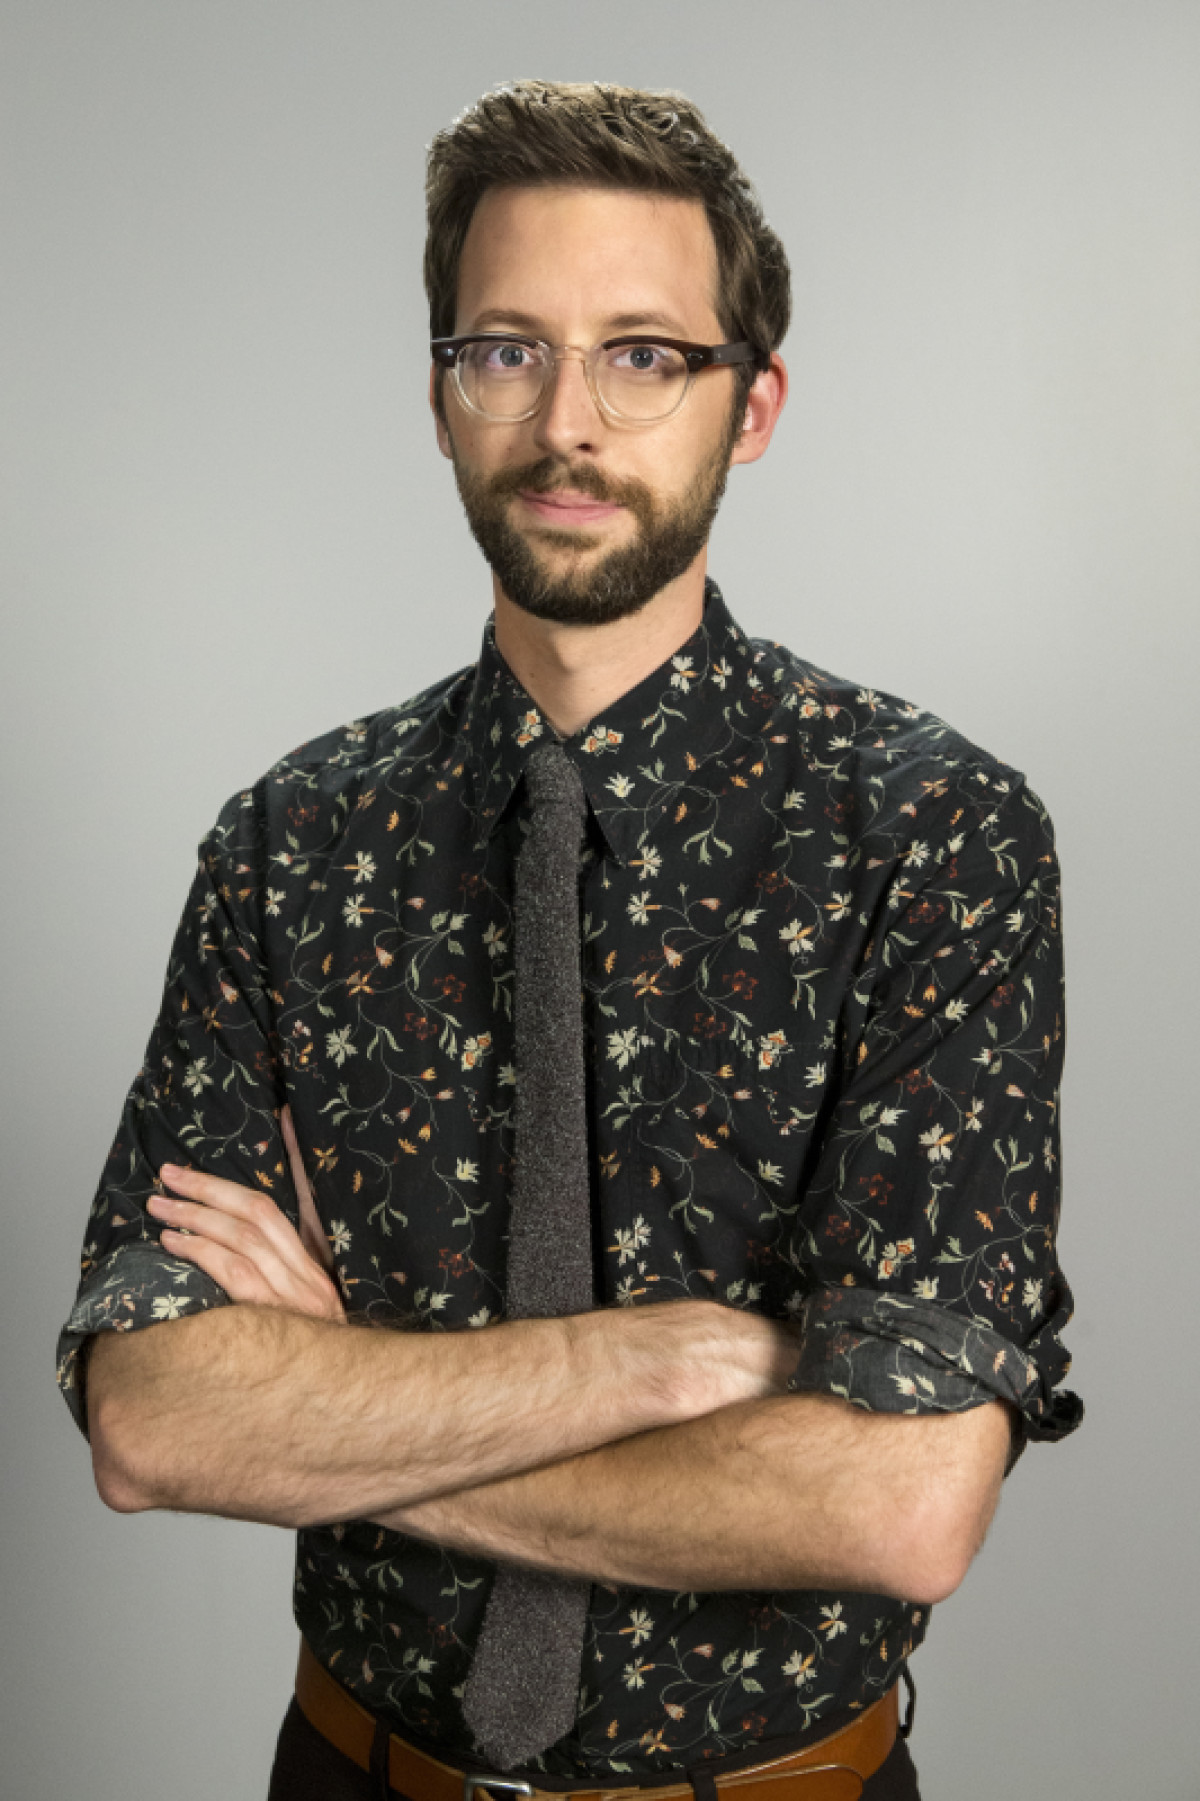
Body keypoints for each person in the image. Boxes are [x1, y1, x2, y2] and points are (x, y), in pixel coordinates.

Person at [57, 79, 1083, 1801]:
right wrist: (648, 1359)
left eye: (644, 356)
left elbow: (899, 1500)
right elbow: (155, 1416)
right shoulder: (288, 846)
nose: (566, 423)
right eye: (506, 352)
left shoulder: (933, 838)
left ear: (752, 406)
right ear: (439, 396)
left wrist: (343, 1410)